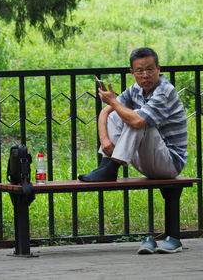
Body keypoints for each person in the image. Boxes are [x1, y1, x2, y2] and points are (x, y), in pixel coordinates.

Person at [78, 47, 188, 253]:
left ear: (158, 68)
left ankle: (111, 168)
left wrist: (113, 101)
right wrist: (104, 140)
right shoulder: (135, 90)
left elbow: (137, 121)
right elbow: (105, 113)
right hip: (148, 160)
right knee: (116, 115)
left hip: (169, 163)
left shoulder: (165, 90)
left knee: (138, 119)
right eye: (140, 71)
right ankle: (106, 165)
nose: (145, 75)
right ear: (132, 72)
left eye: (150, 69)